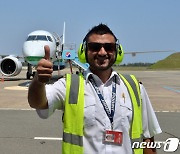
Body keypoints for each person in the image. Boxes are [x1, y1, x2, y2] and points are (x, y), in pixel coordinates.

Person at [28, 23, 162, 154]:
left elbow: (147, 137)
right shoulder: (69, 85)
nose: (102, 52)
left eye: (109, 47)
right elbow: (38, 103)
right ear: (83, 51)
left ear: (117, 51)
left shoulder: (134, 87)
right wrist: (38, 81)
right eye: (95, 47)